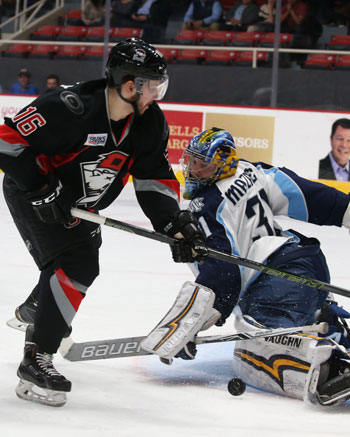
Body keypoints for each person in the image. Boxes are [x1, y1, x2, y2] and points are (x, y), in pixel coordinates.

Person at [0, 38, 208, 407]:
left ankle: (40, 306)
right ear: (130, 85)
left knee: (80, 261)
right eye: (153, 85)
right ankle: (38, 356)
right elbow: (6, 141)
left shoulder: (149, 123)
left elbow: (154, 177)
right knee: (75, 264)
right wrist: (39, 187)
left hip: (79, 205)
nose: (157, 94)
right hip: (31, 194)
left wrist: (173, 222)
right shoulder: (71, 108)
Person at [142, 127, 350, 406]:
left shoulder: (206, 208)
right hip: (306, 260)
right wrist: (346, 210)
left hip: (275, 284)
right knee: (315, 320)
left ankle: (333, 369)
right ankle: (333, 332)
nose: (193, 170)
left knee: (259, 349)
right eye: (191, 161)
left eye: (203, 165)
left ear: (222, 164)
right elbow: (305, 193)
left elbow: (223, 274)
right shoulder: (250, 171)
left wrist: (190, 326)